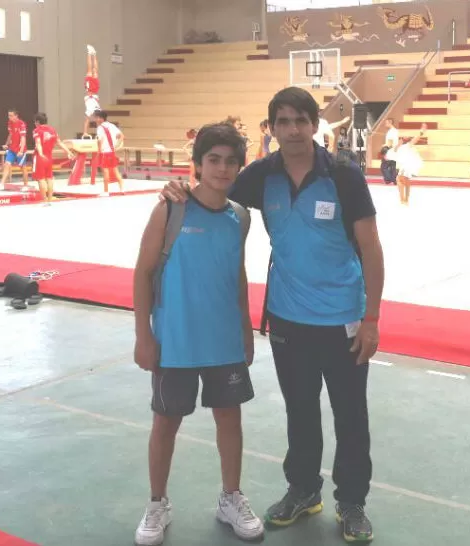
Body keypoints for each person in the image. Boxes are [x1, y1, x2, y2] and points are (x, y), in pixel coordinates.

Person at [160, 86, 384, 543]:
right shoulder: (262, 175)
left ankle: (352, 502)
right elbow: (213, 190)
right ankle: (303, 490)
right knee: (300, 412)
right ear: (272, 128)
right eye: (283, 121)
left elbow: (371, 247)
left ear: (315, 123)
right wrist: (179, 187)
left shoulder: (343, 175)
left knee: (350, 415)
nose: (293, 130)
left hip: (344, 319)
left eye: (301, 120)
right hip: (286, 320)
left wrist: (373, 318)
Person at [132, 123, 262, 546]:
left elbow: (237, 277)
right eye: (214, 160)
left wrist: (245, 329)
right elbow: (143, 273)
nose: (223, 169)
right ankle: (157, 503)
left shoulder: (240, 218)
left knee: (230, 418)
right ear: (198, 165)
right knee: (166, 422)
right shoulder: (171, 210)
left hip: (223, 340)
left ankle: (230, 498)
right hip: (176, 340)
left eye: (230, 162)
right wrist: (143, 336)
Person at [32, 113, 74, 205]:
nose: (35, 124)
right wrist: (68, 152)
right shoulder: (52, 130)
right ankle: (50, 200)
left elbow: (38, 143)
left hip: (40, 157)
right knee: (49, 178)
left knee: (41, 179)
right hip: (49, 157)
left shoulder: (37, 130)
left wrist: (40, 153)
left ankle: (44, 200)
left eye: (35, 122)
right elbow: (60, 143)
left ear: (38, 122)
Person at [0, 109, 29, 191]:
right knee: (7, 164)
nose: (9, 117)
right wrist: (6, 144)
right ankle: (2, 184)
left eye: (11, 115)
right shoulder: (10, 123)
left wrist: (21, 150)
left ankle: (26, 185)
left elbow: (23, 138)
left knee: (23, 167)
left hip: (20, 149)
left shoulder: (22, 124)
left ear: (16, 115)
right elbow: (10, 134)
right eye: (8, 115)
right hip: (12, 149)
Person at [91, 110, 125, 193]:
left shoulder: (100, 128)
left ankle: (106, 191)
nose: (95, 120)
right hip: (112, 151)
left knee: (105, 172)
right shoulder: (112, 125)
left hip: (105, 152)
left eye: (96, 118)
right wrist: (117, 145)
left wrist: (98, 151)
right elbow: (122, 136)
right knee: (115, 170)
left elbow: (100, 140)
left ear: (100, 118)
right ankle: (122, 189)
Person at [394, 127, 426, 206]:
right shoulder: (401, 146)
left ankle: (404, 200)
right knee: (405, 182)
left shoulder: (408, 145)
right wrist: (399, 143)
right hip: (405, 166)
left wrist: (421, 131)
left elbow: (416, 138)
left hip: (406, 166)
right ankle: (405, 200)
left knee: (399, 180)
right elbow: (395, 150)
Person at [83, 45, 101, 137]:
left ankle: (90, 53)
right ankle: (93, 54)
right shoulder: (95, 111)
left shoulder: (91, 111)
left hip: (91, 96)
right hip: (93, 95)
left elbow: (87, 120)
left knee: (91, 70)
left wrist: (85, 132)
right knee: (94, 70)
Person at [380, 118, 398, 185]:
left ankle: (388, 179)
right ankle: (394, 180)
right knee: (392, 166)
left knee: (383, 167)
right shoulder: (396, 131)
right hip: (394, 151)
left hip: (389, 151)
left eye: (386, 123)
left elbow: (390, 143)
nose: (385, 124)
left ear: (390, 123)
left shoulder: (391, 132)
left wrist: (384, 146)